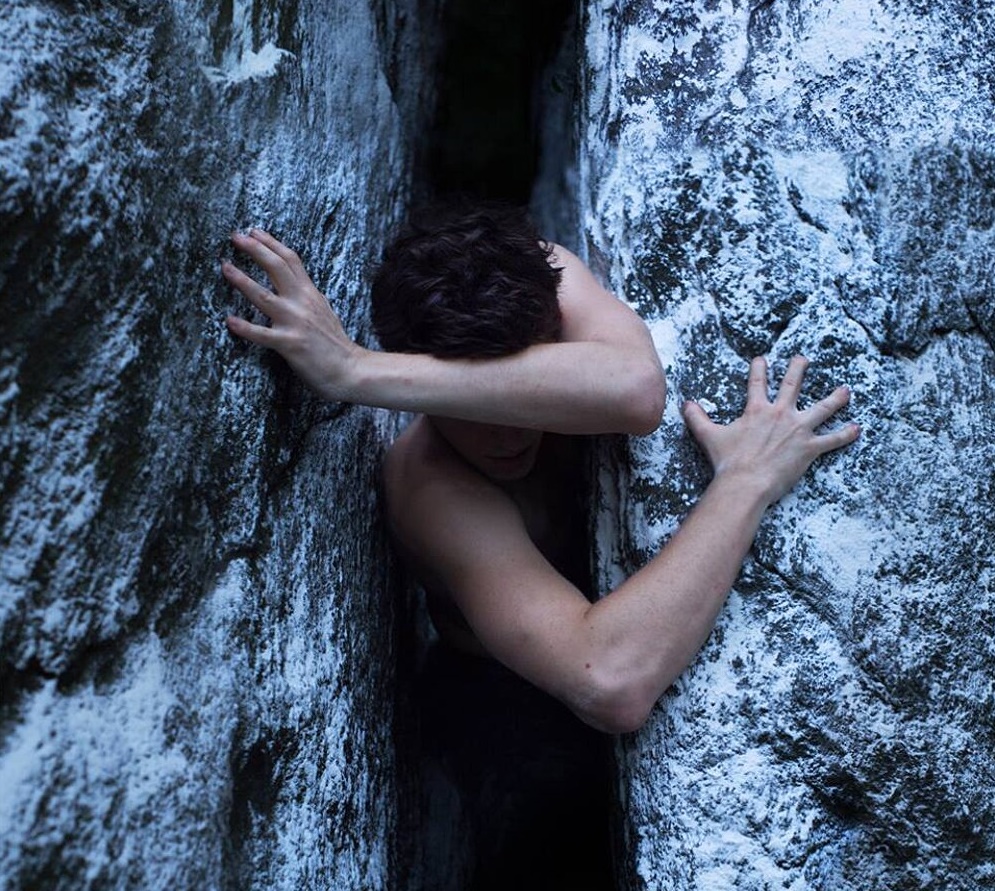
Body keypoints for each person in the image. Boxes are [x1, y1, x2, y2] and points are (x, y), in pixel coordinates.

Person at [222, 205, 860, 735]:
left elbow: (637, 392)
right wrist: (746, 480)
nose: (506, 429)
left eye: (512, 391)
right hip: (513, 703)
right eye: (470, 406)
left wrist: (356, 370)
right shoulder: (432, 488)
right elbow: (609, 682)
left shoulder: (536, 275)